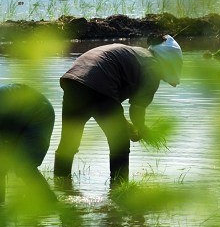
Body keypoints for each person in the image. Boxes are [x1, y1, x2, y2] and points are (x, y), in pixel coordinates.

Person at [53, 36, 183, 185]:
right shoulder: (153, 67)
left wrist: (127, 125)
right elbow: (136, 110)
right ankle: (119, 190)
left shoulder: (138, 54)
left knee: (69, 142)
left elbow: (108, 106)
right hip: (100, 85)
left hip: (74, 81)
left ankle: (60, 187)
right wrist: (142, 130)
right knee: (120, 144)